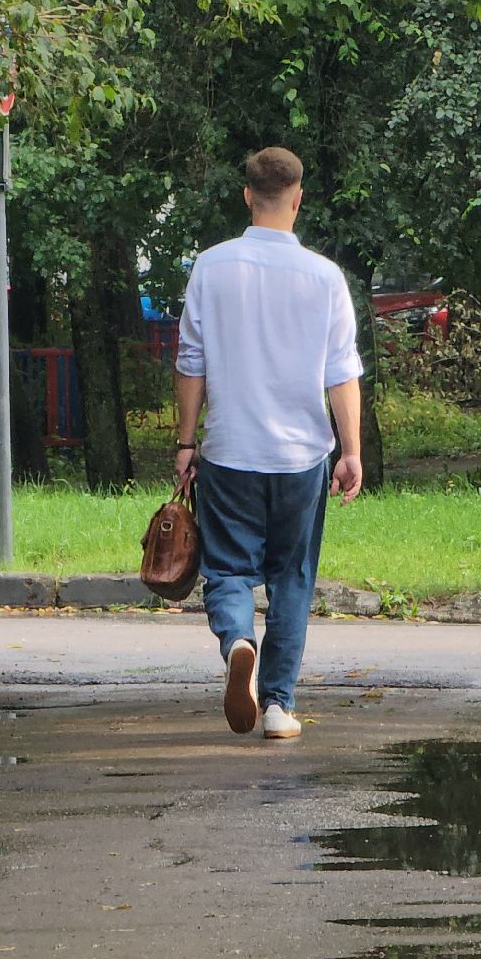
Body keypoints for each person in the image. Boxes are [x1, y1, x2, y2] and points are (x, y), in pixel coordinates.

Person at [173, 147, 363, 741]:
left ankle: (237, 643)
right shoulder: (325, 276)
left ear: (248, 195)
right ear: (298, 197)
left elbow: (190, 361)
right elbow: (341, 371)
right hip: (302, 456)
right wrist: (351, 450)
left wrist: (186, 442)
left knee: (228, 569)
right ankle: (278, 705)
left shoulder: (211, 267)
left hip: (230, 450)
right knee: (292, 577)